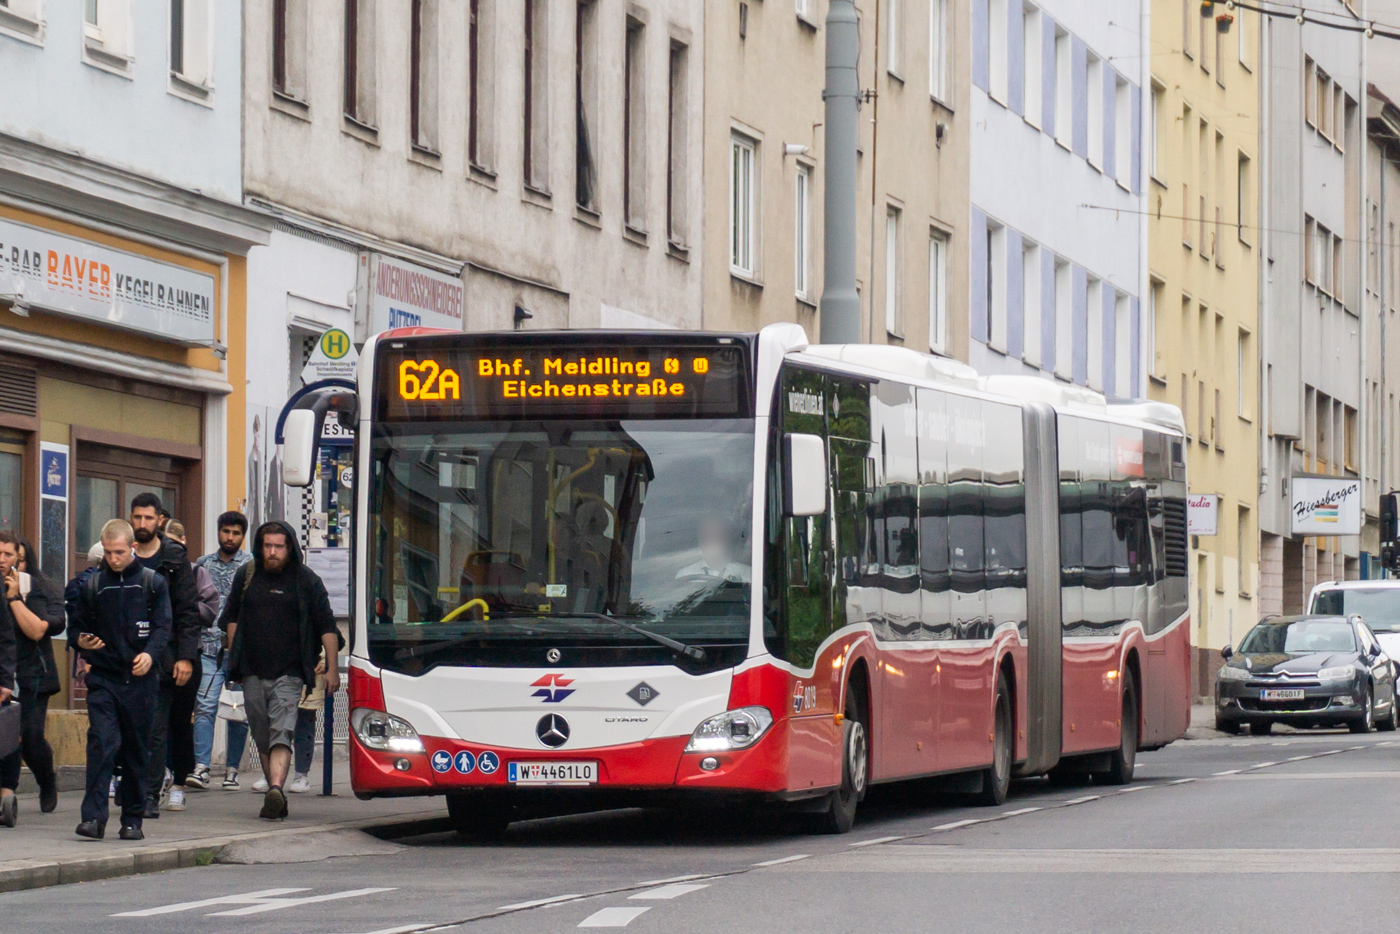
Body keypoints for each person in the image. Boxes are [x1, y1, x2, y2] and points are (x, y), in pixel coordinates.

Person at [218, 521, 340, 820]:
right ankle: (277, 793)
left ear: (290, 549)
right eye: (267, 546)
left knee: (281, 731)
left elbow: (327, 627)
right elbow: (231, 616)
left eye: (279, 547)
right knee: (262, 734)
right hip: (252, 670)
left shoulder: (306, 581)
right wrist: (235, 655)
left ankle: (275, 789)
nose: (272, 552)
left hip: (290, 672)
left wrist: (333, 670)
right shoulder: (246, 576)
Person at [71, 519, 171, 840]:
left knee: (136, 750)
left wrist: (151, 655)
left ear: (133, 548)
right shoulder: (93, 585)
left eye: (119, 552)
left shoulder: (152, 583)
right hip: (104, 678)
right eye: (108, 552)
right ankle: (93, 818)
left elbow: (163, 627)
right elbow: (76, 627)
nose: (113, 558)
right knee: (101, 744)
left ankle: (132, 818)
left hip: (141, 682)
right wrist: (81, 641)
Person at [129, 493, 201, 819]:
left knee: (156, 729)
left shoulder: (174, 558)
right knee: (128, 727)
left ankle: (148, 794)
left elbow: (187, 611)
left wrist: (185, 657)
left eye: (148, 518)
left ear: (159, 520)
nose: (142, 524)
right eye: (137, 517)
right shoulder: (121, 553)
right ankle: (131, 785)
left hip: (164, 655)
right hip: (125, 655)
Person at [0, 534, 66, 825]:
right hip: (6, 671)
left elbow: (37, 631)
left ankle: (47, 779)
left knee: (29, 737)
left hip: (33, 674)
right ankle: (7, 794)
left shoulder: (38, 589)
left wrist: (15, 598)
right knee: (9, 737)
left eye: (16, 558)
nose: (9, 563)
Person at [191, 511, 253, 791]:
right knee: (204, 706)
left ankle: (232, 770)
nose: (230, 537)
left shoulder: (251, 564)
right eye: (226, 532)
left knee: (237, 711)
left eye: (236, 533)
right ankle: (201, 767)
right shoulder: (202, 564)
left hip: (240, 650)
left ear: (243, 535)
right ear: (218, 532)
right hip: (208, 647)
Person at [676, 516, 751, 582]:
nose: (712, 541)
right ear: (699, 541)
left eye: (719, 535)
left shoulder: (747, 574)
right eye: (707, 536)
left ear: (729, 539)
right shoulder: (684, 575)